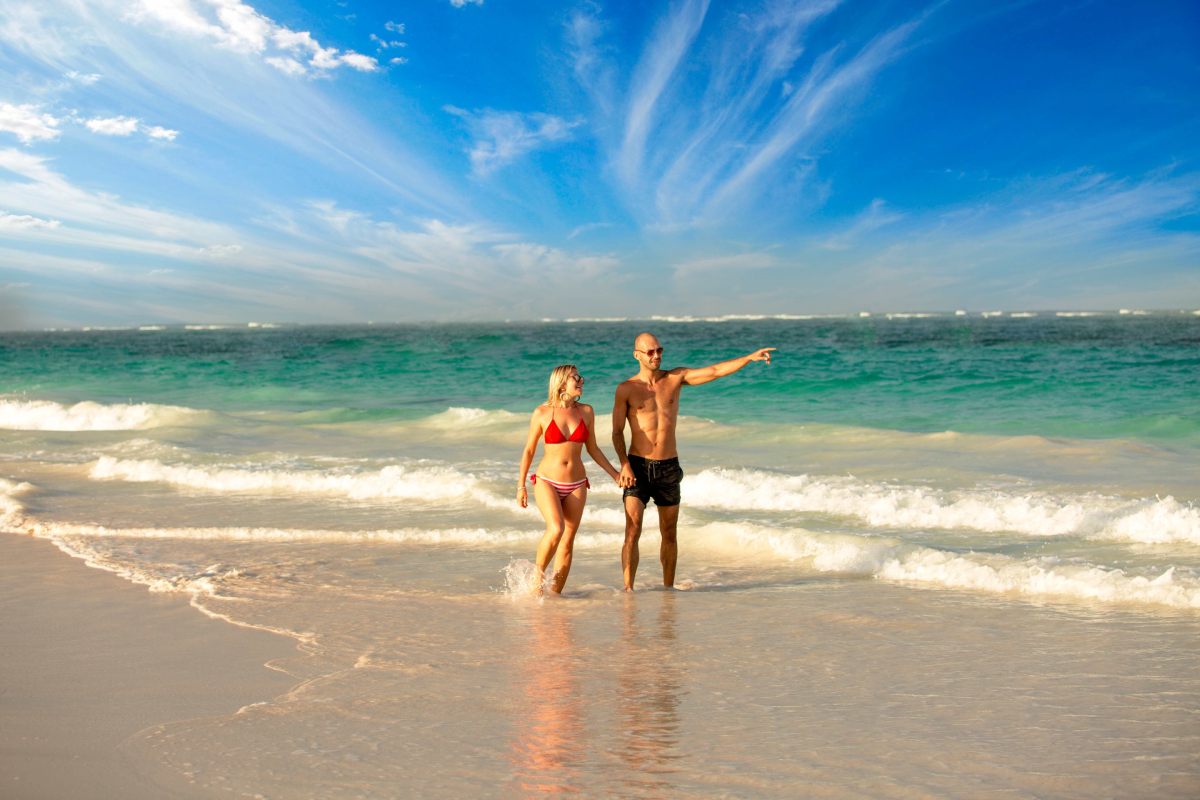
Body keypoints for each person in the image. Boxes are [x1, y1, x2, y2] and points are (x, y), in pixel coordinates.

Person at [612, 333, 775, 590]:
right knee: (632, 531)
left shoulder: (674, 378)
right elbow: (617, 432)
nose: (656, 356)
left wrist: (748, 358)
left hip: (668, 467)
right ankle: (628, 591)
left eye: (659, 350)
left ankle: (668, 591)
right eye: (650, 352)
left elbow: (715, 371)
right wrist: (623, 464)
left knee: (669, 533)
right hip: (637, 467)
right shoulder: (626, 389)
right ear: (637, 355)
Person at [518, 364, 625, 594]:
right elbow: (528, 450)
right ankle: (537, 583)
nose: (581, 381)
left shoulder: (586, 411)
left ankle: (555, 596)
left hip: (577, 483)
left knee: (567, 541)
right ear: (561, 382)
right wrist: (521, 486)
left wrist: (615, 474)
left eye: (581, 377)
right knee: (556, 529)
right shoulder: (542, 413)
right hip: (547, 480)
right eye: (576, 378)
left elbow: (593, 449)